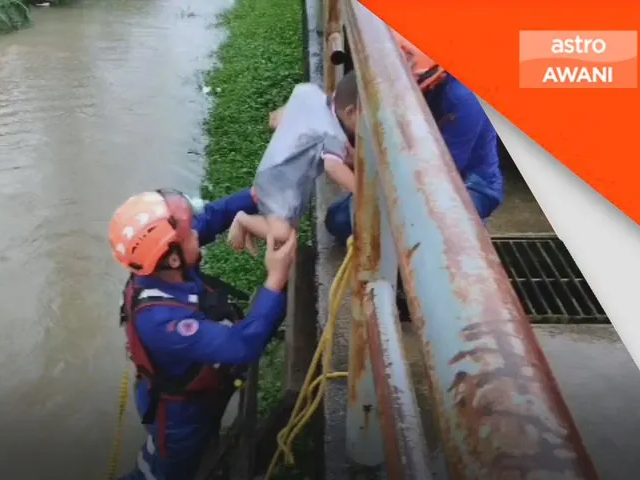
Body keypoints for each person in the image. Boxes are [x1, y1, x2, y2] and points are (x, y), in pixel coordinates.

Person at [108, 187, 297, 480]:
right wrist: (275, 279)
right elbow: (242, 345)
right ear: (172, 258)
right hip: (178, 416)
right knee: (165, 472)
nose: (197, 232)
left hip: (196, 393)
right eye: (189, 233)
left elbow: (212, 216)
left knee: (184, 453)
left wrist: (257, 194)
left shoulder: (164, 263)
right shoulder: (161, 321)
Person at [323, 35, 504, 244]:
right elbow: (345, 98)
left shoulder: (463, 98)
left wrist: (378, 173)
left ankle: (471, 226)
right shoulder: (403, 83)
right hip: (408, 170)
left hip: (466, 182)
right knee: (338, 219)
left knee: (431, 234)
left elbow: (444, 173)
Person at [226, 76, 358, 255]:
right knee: (285, 235)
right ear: (350, 112)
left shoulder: (313, 95)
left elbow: (300, 91)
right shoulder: (333, 134)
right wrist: (362, 191)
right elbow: (332, 167)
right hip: (280, 185)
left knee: (290, 230)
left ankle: (256, 228)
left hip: (276, 171)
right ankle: (243, 221)